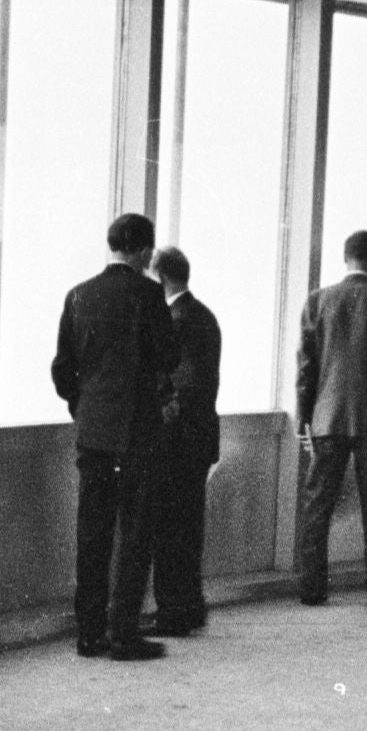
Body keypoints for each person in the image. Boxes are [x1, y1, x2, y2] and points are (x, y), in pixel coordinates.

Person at [50, 211, 179, 661]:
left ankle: (89, 634)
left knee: (93, 534)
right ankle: (123, 632)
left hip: (93, 435)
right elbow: (169, 354)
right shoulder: (149, 293)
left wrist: (82, 408)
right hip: (138, 434)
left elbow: (62, 370)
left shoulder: (78, 295)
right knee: (135, 533)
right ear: (144, 251)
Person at [292, 228, 367, 608]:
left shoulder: (318, 300)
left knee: (316, 505)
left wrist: (302, 418)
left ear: (345, 258)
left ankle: (312, 588)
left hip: (327, 418)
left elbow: (305, 367)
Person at [145, 245, 222, 636]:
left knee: (170, 529)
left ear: (161, 278)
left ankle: (173, 612)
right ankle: (189, 606)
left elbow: (183, 386)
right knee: (188, 527)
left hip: (177, 442)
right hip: (199, 439)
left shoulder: (177, 320)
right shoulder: (204, 315)